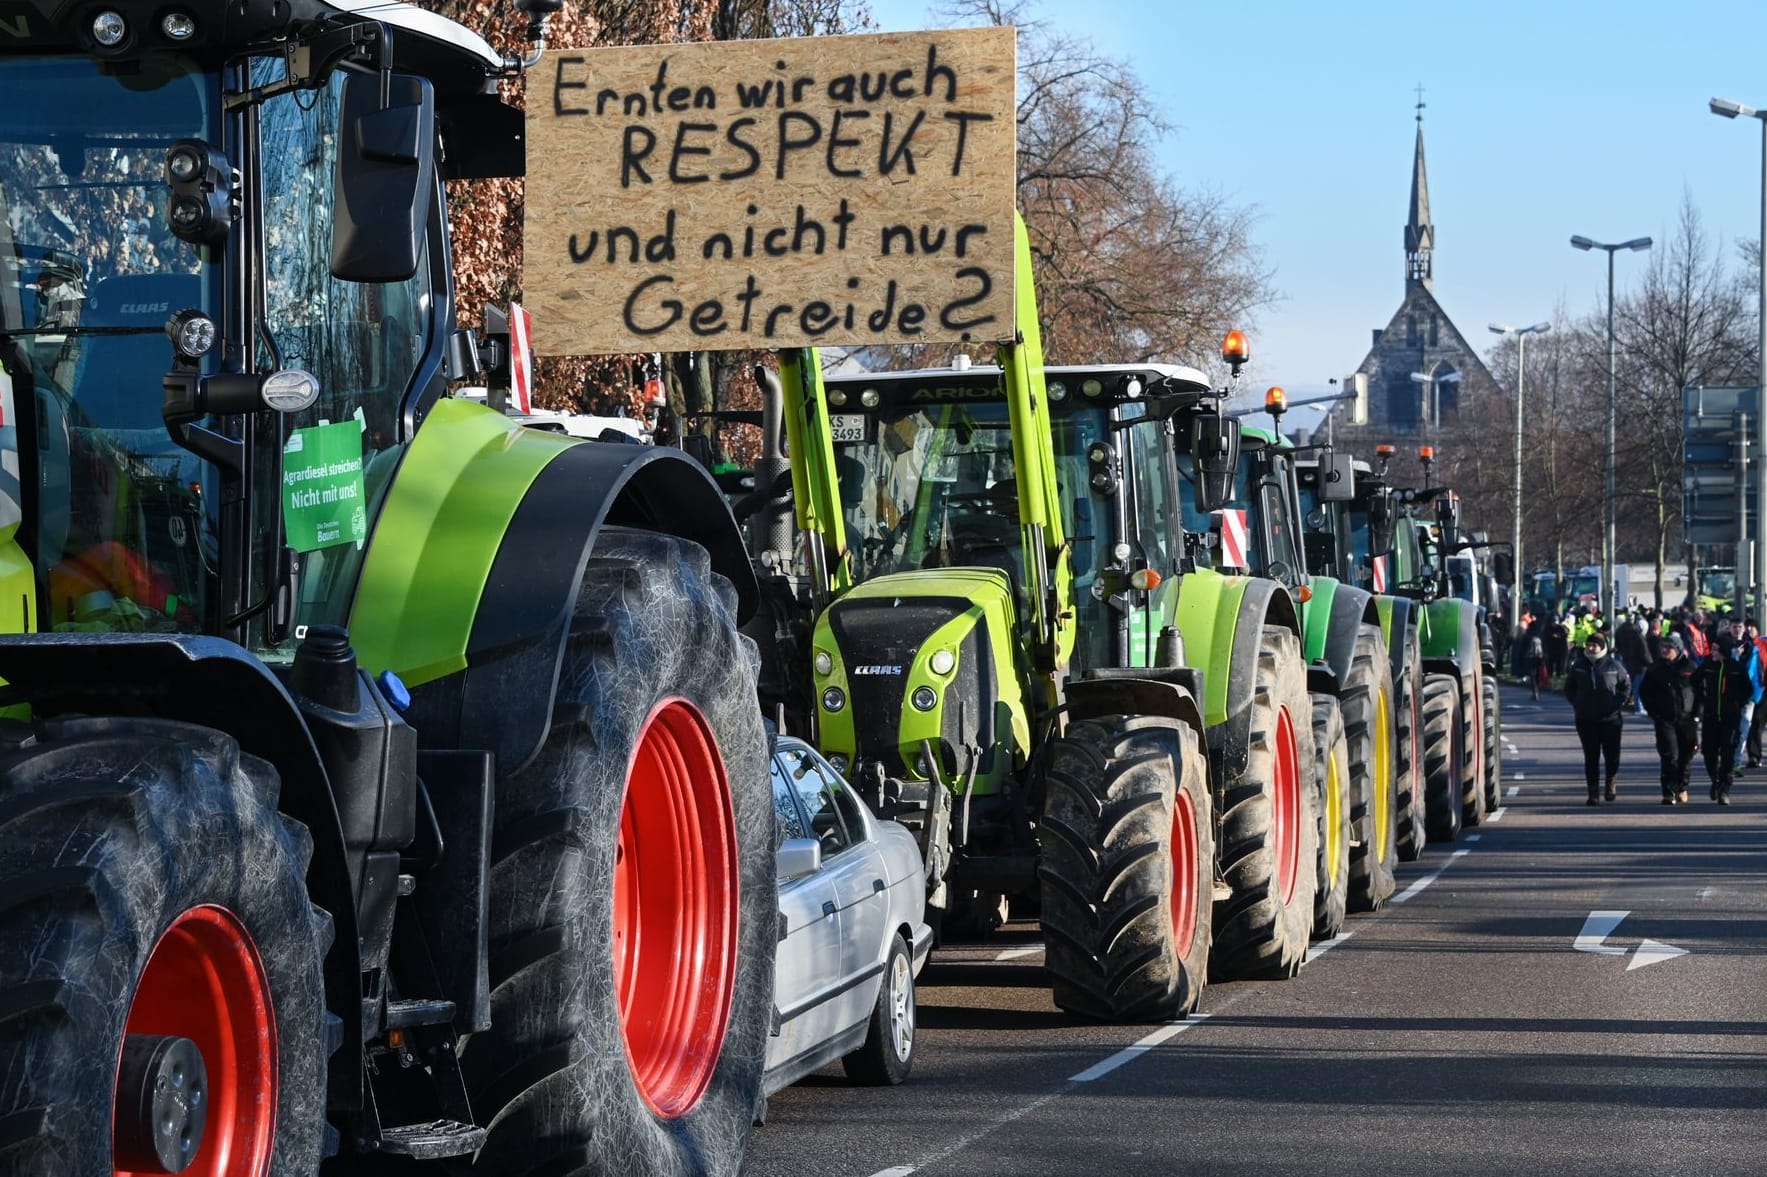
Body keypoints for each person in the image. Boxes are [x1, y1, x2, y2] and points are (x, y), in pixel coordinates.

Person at [1565, 632, 1632, 805]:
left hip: (1610, 719)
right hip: (1586, 719)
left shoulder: (1614, 665)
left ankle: (1611, 781)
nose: (1590, 648)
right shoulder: (1578, 666)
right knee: (1591, 756)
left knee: (1612, 755)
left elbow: (1626, 687)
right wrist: (1578, 704)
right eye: (1589, 645)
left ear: (1602, 647)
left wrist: (1617, 703)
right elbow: (1569, 689)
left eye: (1594, 645)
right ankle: (1593, 793)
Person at [1639, 634, 1699, 804]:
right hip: (1665, 719)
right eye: (1663, 647)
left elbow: (1701, 693)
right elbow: (1645, 693)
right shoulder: (1655, 669)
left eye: (1669, 647)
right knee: (1669, 755)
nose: (1665, 650)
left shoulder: (1690, 667)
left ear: (1678, 649)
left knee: (1686, 755)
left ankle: (1681, 786)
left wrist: (1697, 715)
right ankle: (1668, 791)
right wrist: (1654, 713)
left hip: (1687, 720)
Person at [1697, 635, 1751, 806]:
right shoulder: (1708, 666)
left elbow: (1748, 690)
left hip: (1730, 718)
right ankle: (1715, 780)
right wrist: (1703, 699)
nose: (1712, 652)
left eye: (1715, 649)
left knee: (1728, 754)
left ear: (1723, 651)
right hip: (1711, 717)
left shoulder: (1737, 668)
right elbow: (1693, 681)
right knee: (1709, 752)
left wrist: (1737, 703)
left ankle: (1725, 789)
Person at [1614, 610, 1652, 716]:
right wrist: (1650, 663)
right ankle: (1639, 707)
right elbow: (1644, 652)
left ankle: (1626, 703)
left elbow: (1618, 646)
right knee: (1638, 686)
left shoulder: (1620, 630)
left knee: (1629, 684)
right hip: (1639, 664)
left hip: (1627, 660)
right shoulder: (1637, 634)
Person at [1524, 624, 1546, 701]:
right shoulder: (1541, 637)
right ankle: (1538, 692)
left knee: (1533, 676)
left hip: (1532, 657)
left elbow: (1527, 649)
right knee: (1537, 676)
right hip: (1540, 657)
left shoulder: (1529, 637)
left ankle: (1535, 693)